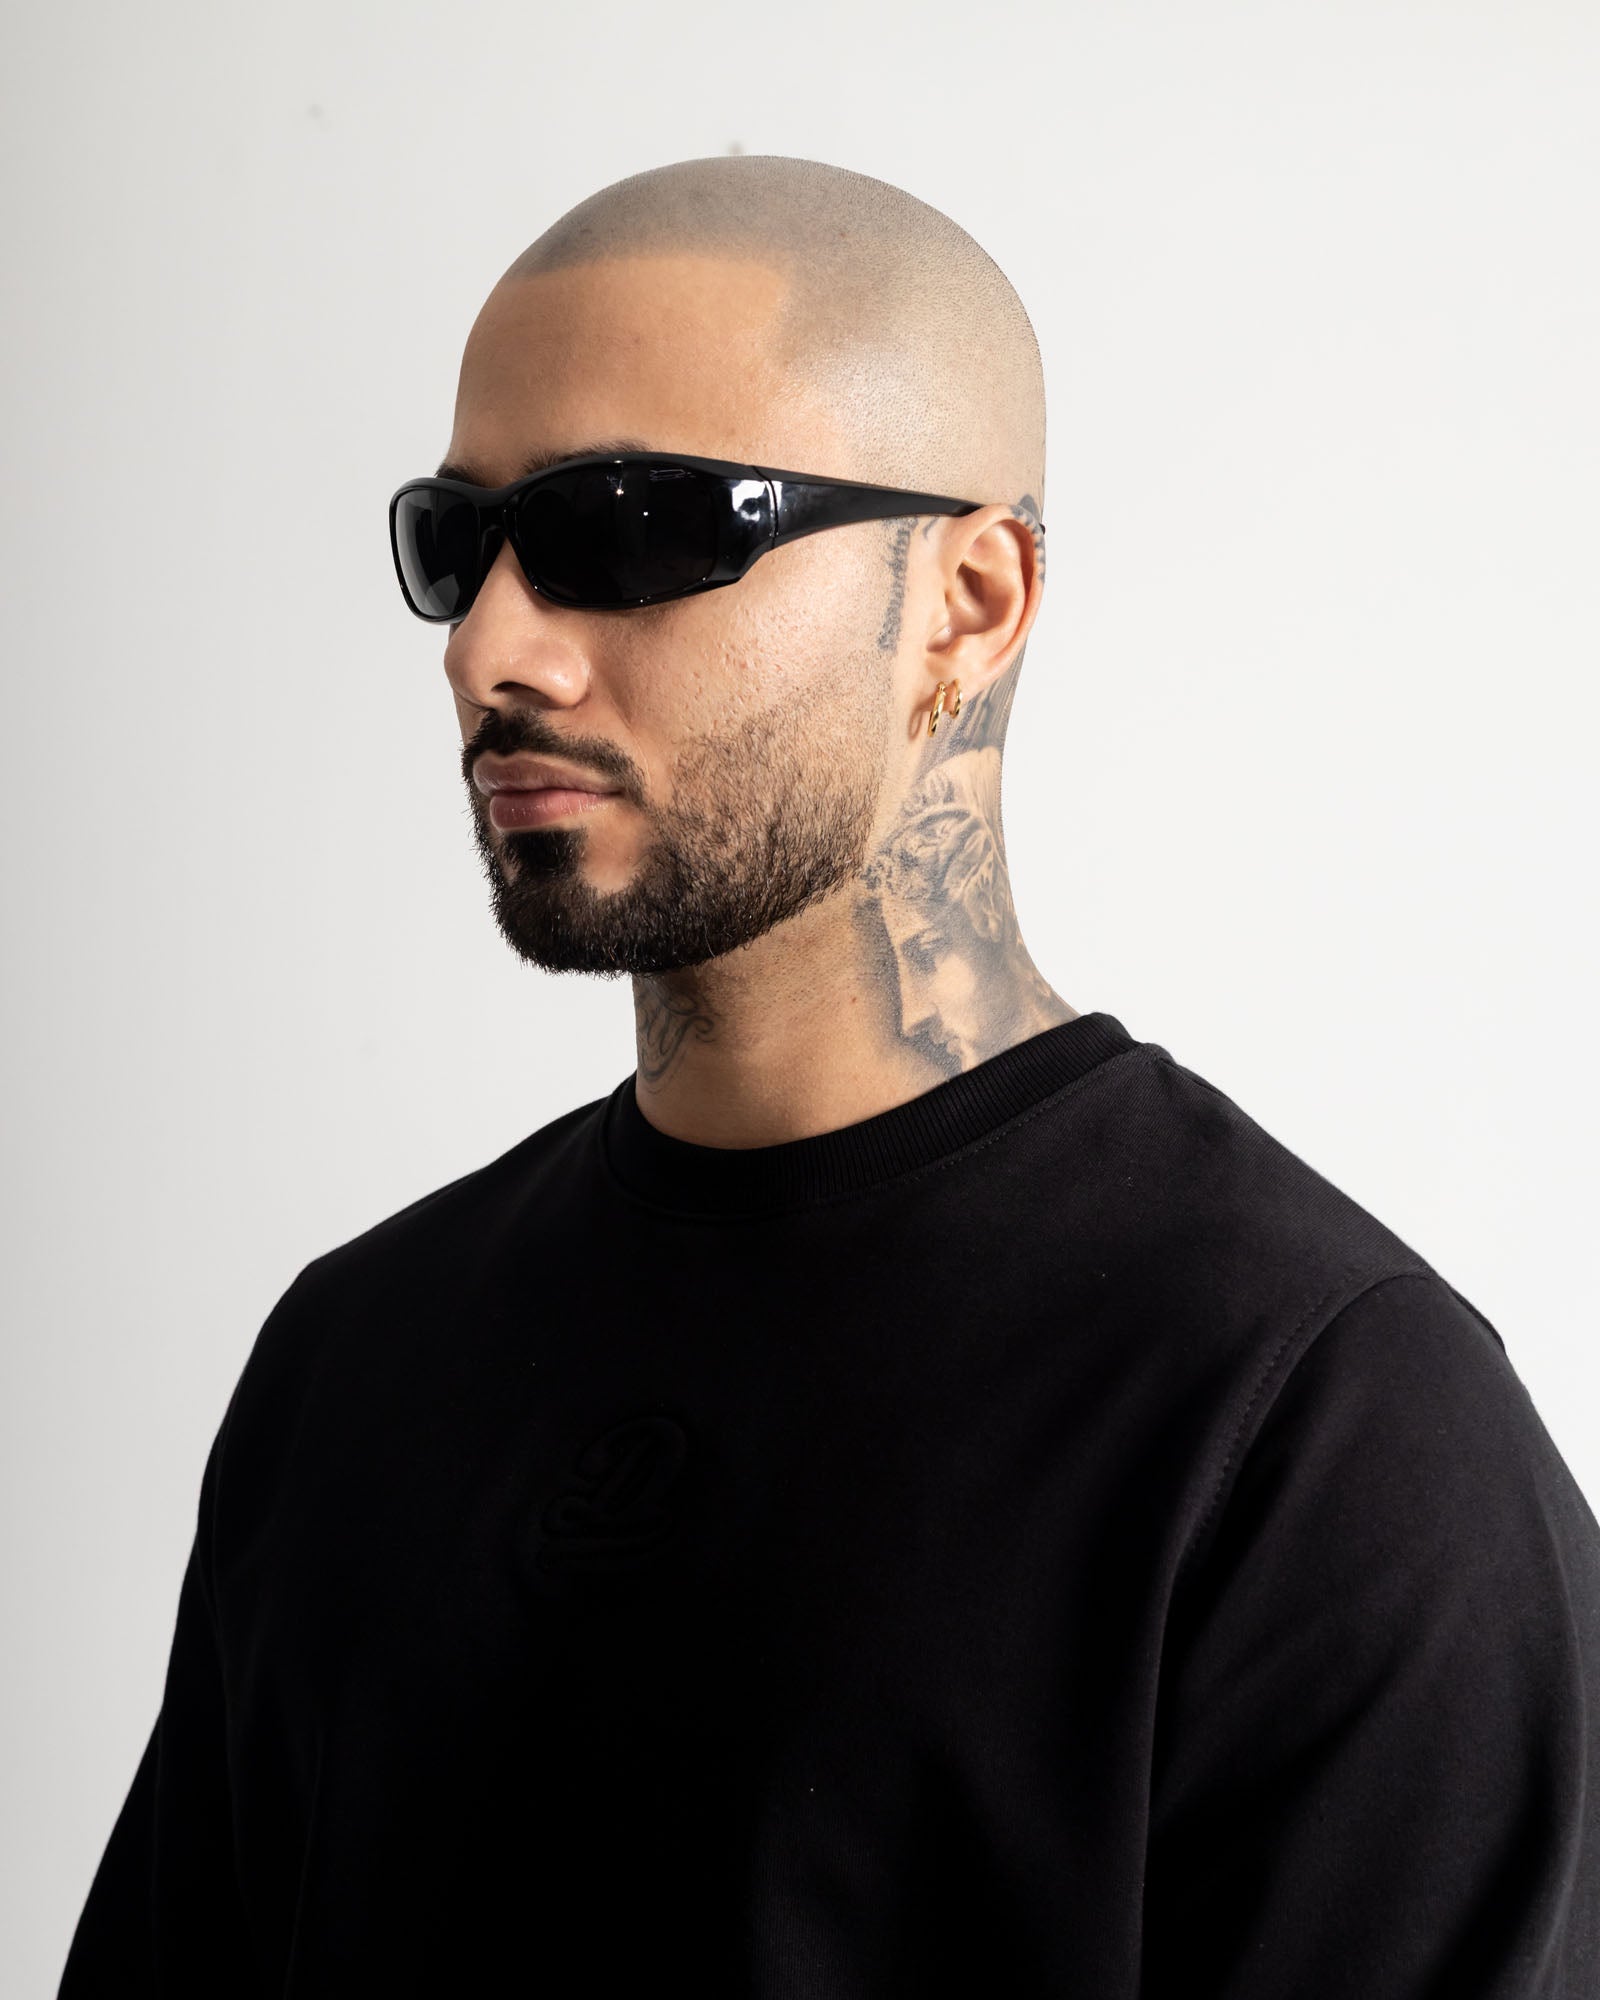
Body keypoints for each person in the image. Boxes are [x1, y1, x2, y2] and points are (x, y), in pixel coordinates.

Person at [59, 153, 1600, 1997]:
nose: (490, 649)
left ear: (969, 599)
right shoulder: (355, 1359)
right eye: (456, 548)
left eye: (634, 528)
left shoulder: (1319, 1434)